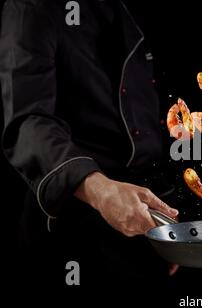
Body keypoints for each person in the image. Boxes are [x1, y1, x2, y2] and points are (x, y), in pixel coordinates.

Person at [0, 0, 179, 286]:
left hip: (145, 230)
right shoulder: (32, 6)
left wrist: (168, 227)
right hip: (74, 229)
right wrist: (100, 190)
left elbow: (146, 121)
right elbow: (29, 122)